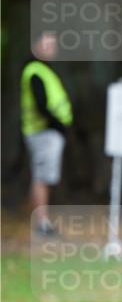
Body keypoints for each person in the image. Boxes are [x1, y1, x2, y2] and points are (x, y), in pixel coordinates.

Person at [21, 34, 73, 235]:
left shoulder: (44, 71)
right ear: (35, 47)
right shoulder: (35, 71)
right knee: (42, 177)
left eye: (53, 45)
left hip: (47, 132)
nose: (51, 48)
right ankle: (41, 223)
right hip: (43, 132)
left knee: (43, 177)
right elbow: (41, 104)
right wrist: (57, 124)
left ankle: (42, 220)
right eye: (46, 44)